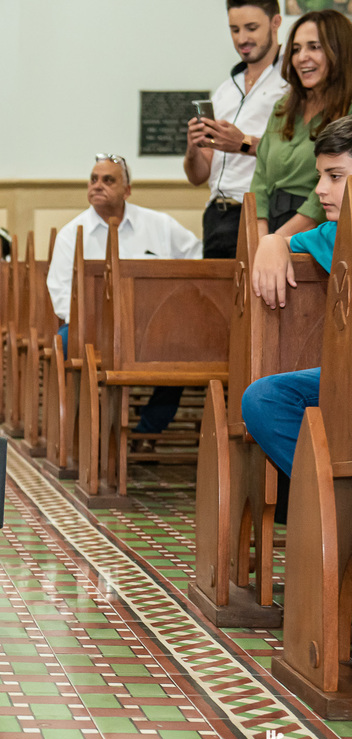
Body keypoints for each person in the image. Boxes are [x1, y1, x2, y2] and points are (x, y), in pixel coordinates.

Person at [45, 155, 202, 443]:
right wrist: (96, 323)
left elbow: (198, 260)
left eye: (108, 180)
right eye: (93, 179)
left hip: (154, 328)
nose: (98, 186)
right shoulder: (71, 234)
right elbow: (60, 291)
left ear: (127, 190)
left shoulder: (160, 225)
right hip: (93, 329)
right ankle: (91, 432)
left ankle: (148, 429)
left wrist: (176, 309)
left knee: (186, 350)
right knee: (66, 342)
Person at [242, 114, 352, 476]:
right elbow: (285, 242)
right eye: (320, 175)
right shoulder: (330, 235)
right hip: (344, 375)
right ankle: (326, 500)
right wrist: (273, 240)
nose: (320, 189)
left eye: (334, 176)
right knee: (263, 398)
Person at [184, 0, 288, 258]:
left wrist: (242, 143)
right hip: (216, 215)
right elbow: (198, 176)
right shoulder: (225, 90)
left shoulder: (291, 81)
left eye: (251, 28)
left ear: (276, 23)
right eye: (234, 29)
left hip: (262, 213)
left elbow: (296, 151)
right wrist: (193, 149)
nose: (242, 38)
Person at [251, 9, 352, 238]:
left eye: (314, 47)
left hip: (321, 231)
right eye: (296, 49)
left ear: (340, 51)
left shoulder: (348, 112)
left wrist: (279, 241)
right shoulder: (283, 108)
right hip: (270, 227)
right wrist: (261, 238)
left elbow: (326, 195)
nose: (301, 57)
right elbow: (260, 178)